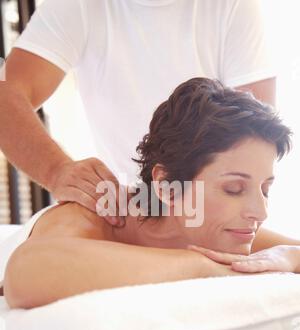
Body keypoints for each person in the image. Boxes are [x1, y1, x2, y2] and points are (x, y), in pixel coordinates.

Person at [2, 77, 300, 310]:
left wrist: (287, 256)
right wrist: (201, 268)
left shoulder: (221, 227)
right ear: (166, 184)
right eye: (233, 189)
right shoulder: (95, 214)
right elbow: (23, 274)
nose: (260, 212)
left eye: (266, 189)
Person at [0, 0, 277, 227]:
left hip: (207, 211)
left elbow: (258, 135)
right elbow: (6, 97)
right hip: (122, 211)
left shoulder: (233, 5)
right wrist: (56, 170)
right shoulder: (79, 5)